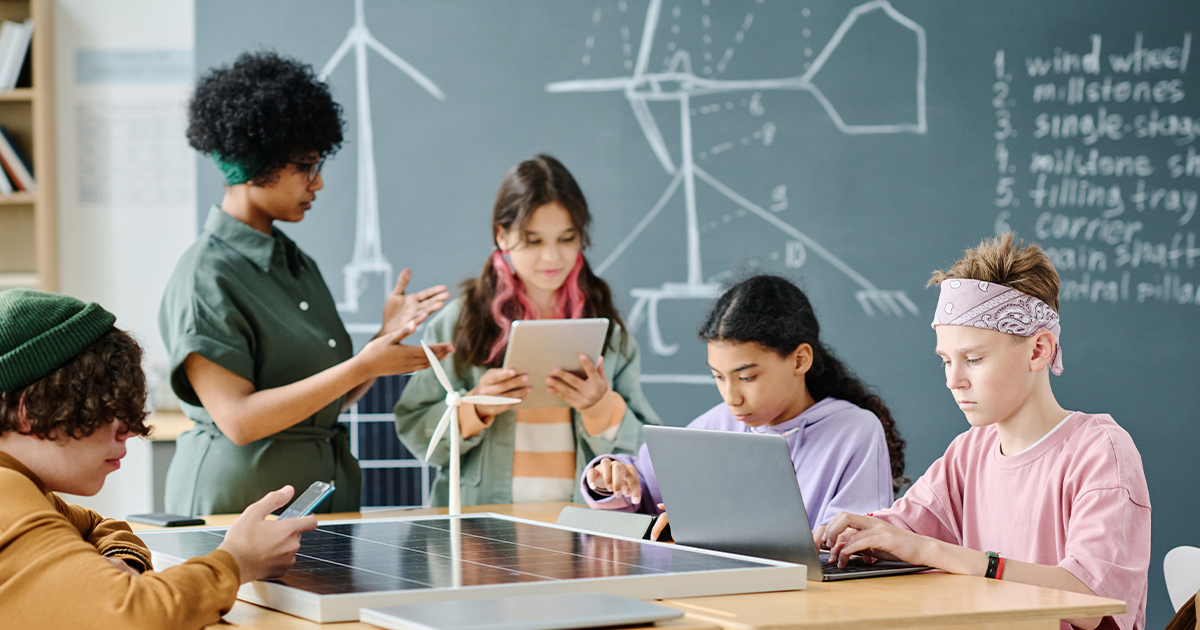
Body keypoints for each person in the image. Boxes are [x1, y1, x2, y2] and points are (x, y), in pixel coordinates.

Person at [160, 51, 452, 516]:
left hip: (318, 504)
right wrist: (363, 367)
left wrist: (380, 343)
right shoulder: (206, 275)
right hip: (239, 511)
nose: (317, 183)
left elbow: (326, 394)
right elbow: (238, 420)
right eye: (305, 167)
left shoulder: (296, 263)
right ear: (258, 162)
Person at [817, 234, 1150, 630]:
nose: (953, 380)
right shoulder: (970, 450)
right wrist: (851, 536)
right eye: (945, 361)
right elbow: (902, 528)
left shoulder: (1101, 451)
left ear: (1039, 350)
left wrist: (934, 551)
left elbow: (1090, 600)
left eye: (973, 359)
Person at [0, 289, 317, 628]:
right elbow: (137, 617)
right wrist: (236, 561)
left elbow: (102, 528)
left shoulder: (28, 492)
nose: (130, 431)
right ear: (31, 412)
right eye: (109, 412)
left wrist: (123, 568)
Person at [394, 154, 660, 506]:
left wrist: (601, 407)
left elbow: (646, 456)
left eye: (567, 239)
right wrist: (476, 408)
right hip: (482, 531)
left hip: (583, 530)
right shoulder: (460, 321)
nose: (552, 257)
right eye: (533, 241)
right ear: (502, 235)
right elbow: (416, 429)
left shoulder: (608, 326)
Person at [581, 274, 906, 531]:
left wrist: (713, 530)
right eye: (718, 377)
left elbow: (855, 545)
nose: (731, 398)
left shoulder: (854, 431)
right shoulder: (717, 425)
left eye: (747, 377)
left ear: (800, 360)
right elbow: (641, 487)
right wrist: (614, 479)